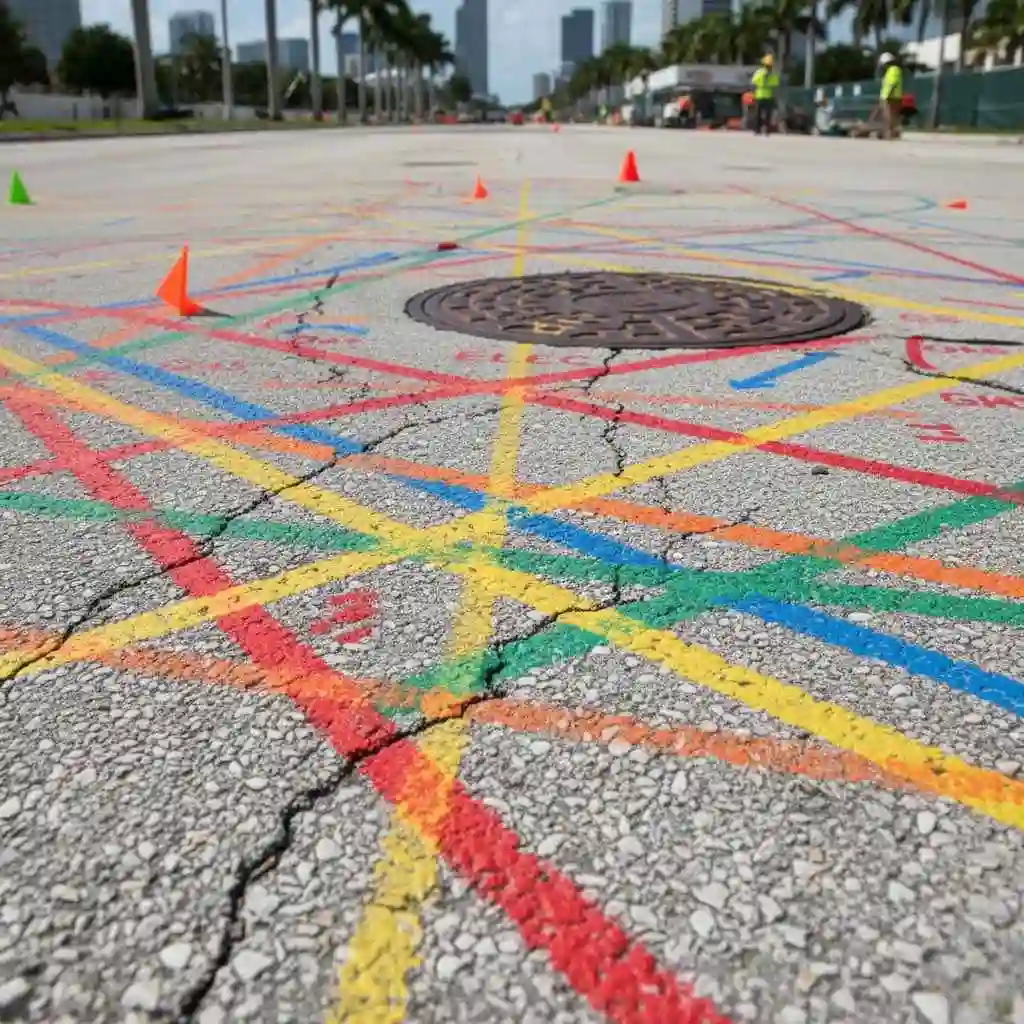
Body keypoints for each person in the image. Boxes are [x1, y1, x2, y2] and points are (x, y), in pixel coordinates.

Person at [751, 54, 780, 136]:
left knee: (766, 114)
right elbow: (754, 82)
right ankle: (758, 129)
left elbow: (775, 84)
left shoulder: (771, 74)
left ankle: (765, 130)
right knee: (759, 114)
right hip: (761, 96)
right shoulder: (760, 72)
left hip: (766, 96)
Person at [878, 52, 904, 139]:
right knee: (890, 116)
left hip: (891, 96)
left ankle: (890, 133)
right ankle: (892, 133)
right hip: (889, 96)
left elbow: (892, 83)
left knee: (889, 116)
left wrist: (887, 95)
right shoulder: (890, 71)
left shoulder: (893, 69)